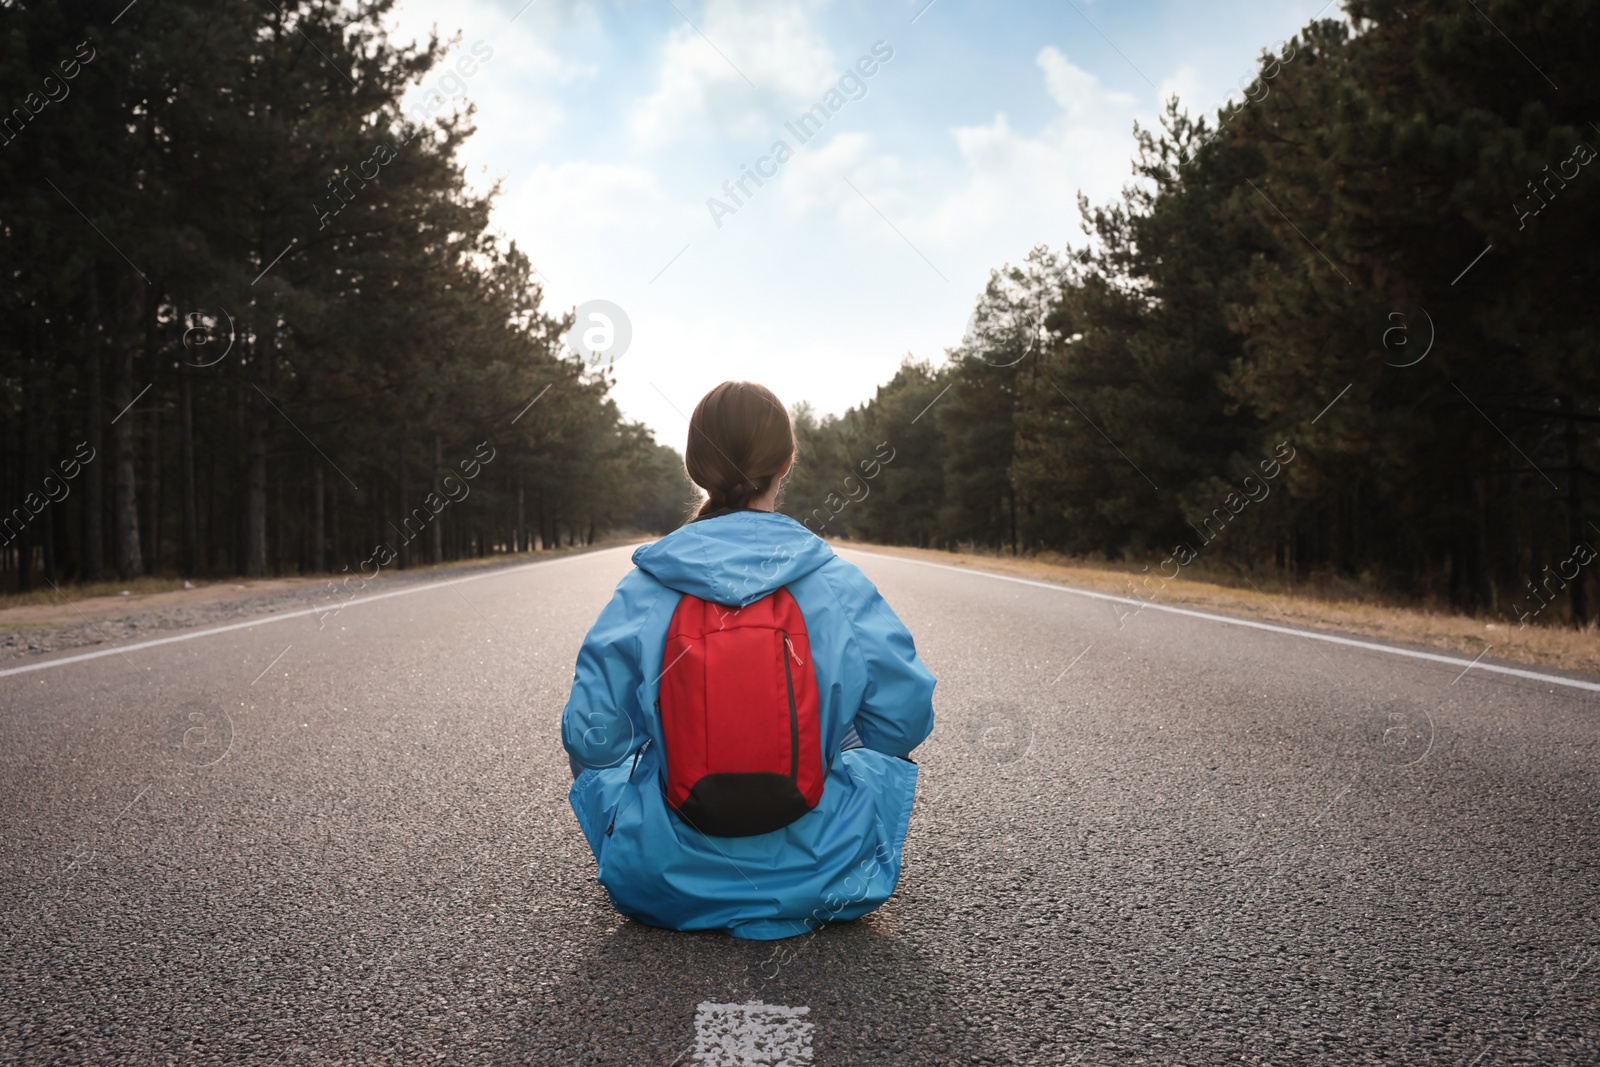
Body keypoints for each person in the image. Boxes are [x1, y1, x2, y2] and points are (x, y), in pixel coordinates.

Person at [561, 380, 936, 941]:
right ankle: (809, 849)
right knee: (865, 726)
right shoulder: (837, 583)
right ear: (787, 461)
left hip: (661, 886)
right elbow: (906, 717)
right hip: (829, 877)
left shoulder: (643, 590)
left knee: (608, 738)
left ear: (696, 469)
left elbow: (593, 741)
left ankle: (664, 851)